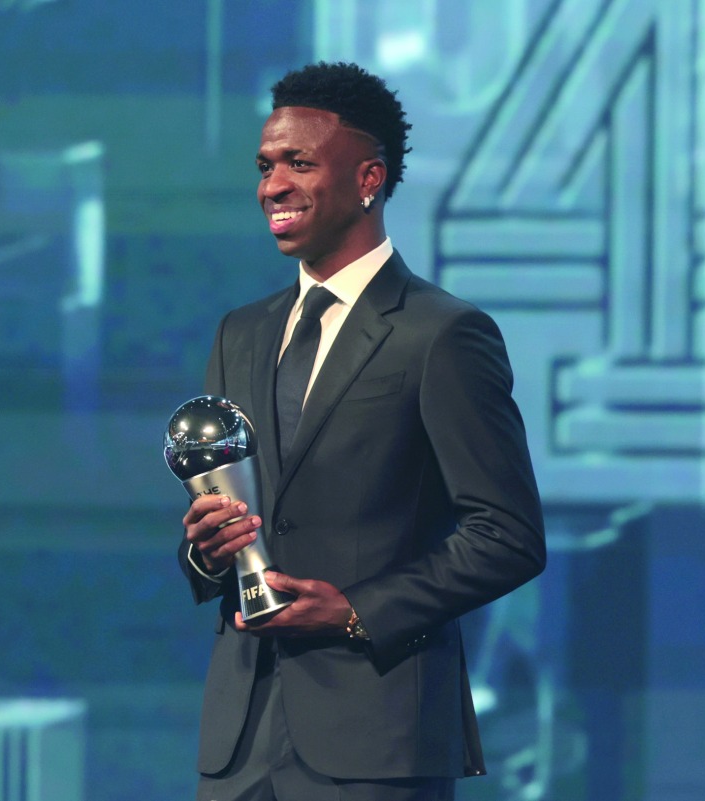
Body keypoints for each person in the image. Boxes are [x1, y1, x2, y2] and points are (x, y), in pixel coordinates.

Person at [177, 61, 545, 800]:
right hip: (240, 743)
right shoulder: (240, 333)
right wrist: (205, 549)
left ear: (369, 178)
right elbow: (226, 534)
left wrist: (353, 611)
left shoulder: (443, 334)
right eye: (265, 165)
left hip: (376, 744)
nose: (272, 185)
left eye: (298, 163)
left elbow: (507, 536)